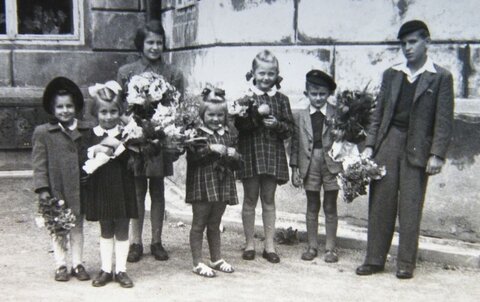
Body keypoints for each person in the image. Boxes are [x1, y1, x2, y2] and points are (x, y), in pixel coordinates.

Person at [356, 20, 454, 279]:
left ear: (427, 42)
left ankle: (405, 263)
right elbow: (378, 115)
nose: (408, 48)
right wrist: (370, 147)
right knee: (380, 202)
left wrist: (437, 154)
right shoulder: (392, 74)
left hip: (417, 147)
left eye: (413, 42)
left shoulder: (440, 76)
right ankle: (374, 259)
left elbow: (444, 120)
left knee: (410, 206)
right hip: (389, 143)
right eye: (403, 44)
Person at [117, 20, 184, 262]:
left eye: (159, 42)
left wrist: (166, 130)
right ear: (140, 45)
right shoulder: (127, 72)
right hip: (136, 138)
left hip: (159, 139)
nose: (155, 47)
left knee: (157, 189)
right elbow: (120, 107)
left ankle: (157, 240)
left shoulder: (173, 73)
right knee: (136, 189)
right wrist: (133, 127)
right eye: (150, 42)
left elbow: (177, 108)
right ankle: (136, 242)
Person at [235, 50, 294, 263]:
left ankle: (269, 245)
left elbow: (289, 129)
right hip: (251, 152)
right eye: (262, 73)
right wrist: (255, 115)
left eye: (271, 74)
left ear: (276, 74)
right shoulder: (246, 98)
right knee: (250, 198)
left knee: (268, 199)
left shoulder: (281, 100)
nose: (266, 78)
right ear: (253, 73)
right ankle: (249, 242)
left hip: (272, 154)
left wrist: (277, 124)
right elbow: (239, 126)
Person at [32, 77, 93, 282]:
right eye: (60, 107)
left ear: (75, 107)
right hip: (56, 190)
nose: (65, 110)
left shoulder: (85, 130)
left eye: (69, 106)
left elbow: (90, 157)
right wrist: (43, 190)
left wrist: (89, 176)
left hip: (78, 188)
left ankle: (78, 263)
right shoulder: (44, 133)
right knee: (58, 228)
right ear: (52, 108)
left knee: (77, 227)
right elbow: (39, 164)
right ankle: (60, 265)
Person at [83, 81, 138, 288]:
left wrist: (118, 146)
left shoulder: (127, 134)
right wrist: (96, 149)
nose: (108, 116)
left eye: (113, 111)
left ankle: (121, 270)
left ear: (119, 111)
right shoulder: (92, 134)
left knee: (122, 227)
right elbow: (85, 159)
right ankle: (106, 269)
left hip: (123, 186)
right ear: (96, 113)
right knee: (106, 227)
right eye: (103, 112)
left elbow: (133, 162)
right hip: (102, 187)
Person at [186, 88, 241, 278]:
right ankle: (197, 262)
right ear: (203, 115)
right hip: (202, 184)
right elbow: (192, 158)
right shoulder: (197, 133)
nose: (216, 119)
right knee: (199, 222)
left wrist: (235, 155)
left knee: (215, 222)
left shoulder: (229, 134)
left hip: (222, 183)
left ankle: (216, 258)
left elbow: (237, 163)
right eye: (211, 114)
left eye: (220, 115)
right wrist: (210, 148)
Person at [290, 70, 342, 263]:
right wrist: (294, 168)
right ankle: (312, 246)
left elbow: (345, 141)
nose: (318, 98)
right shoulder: (300, 117)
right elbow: (295, 144)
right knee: (312, 204)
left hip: (331, 165)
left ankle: (330, 248)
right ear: (306, 94)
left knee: (330, 205)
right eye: (314, 94)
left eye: (322, 94)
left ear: (329, 94)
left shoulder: (337, 114)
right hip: (309, 164)